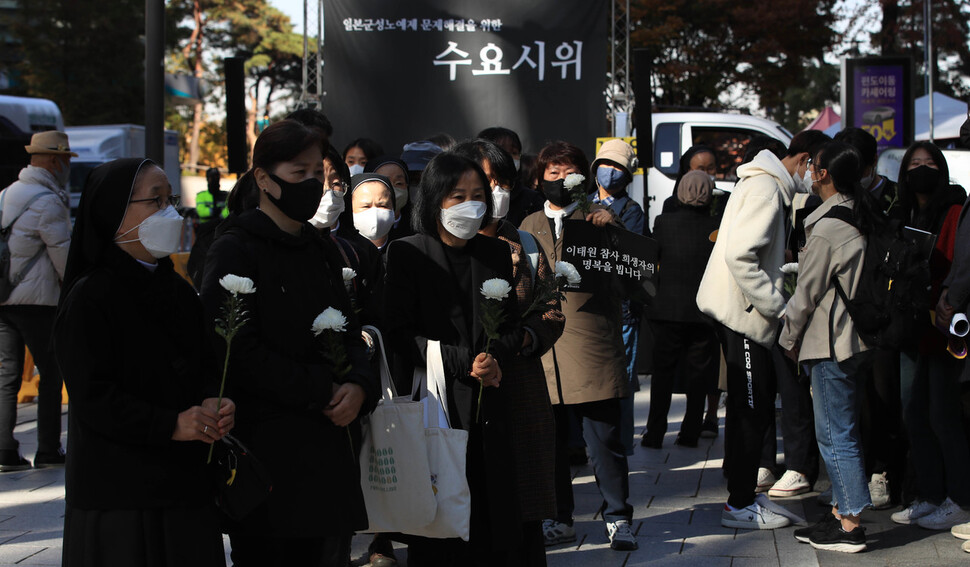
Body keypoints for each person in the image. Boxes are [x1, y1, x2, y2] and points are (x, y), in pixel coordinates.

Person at [202, 120, 377, 565]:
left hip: (330, 449)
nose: (313, 185)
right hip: (269, 454)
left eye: (317, 174)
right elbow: (235, 351)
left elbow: (348, 327)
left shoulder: (319, 248)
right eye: (298, 174)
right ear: (263, 179)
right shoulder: (235, 248)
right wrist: (320, 388)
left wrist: (358, 384)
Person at [54, 158, 235, 566]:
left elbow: (206, 363)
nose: (168, 211)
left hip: (184, 487)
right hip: (120, 495)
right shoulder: (90, 297)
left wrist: (214, 400)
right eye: (155, 201)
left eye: (169, 198)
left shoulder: (177, 290)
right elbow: (92, 397)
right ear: (114, 215)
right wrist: (170, 424)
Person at [383, 152, 526, 566]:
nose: (470, 204)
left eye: (477, 195)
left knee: (490, 512)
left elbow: (512, 324)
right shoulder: (408, 253)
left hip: (490, 398)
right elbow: (398, 334)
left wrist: (495, 356)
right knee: (440, 521)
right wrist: (465, 361)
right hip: (438, 402)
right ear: (434, 199)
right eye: (457, 195)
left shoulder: (495, 253)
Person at [696, 129, 830, 530]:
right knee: (751, 410)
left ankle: (742, 498)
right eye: (817, 167)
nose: (817, 177)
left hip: (738, 312)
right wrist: (781, 307)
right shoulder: (767, 189)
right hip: (744, 315)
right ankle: (739, 504)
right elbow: (741, 255)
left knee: (745, 409)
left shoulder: (762, 183)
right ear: (804, 159)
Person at [519, 141, 637, 551]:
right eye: (552, 173)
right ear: (539, 179)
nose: (560, 180)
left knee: (604, 441)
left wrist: (614, 231)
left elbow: (636, 280)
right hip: (544, 351)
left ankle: (618, 517)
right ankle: (558, 518)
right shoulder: (527, 225)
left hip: (593, 348)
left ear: (582, 178)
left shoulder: (599, 218)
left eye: (569, 172)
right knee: (548, 443)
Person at [455, 139, 565, 566]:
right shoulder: (441, 249)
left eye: (502, 182)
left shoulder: (525, 244)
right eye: (486, 182)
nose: (495, 191)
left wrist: (521, 340)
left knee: (523, 508)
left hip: (520, 388)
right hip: (466, 392)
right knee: (474, 502)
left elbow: (552, 312)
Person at [779, 142, 873, 553]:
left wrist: (787, 338)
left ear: (821, 175)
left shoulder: (830, 228)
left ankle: (851, 523)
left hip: (830, 340)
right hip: (853, 339)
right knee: (841, 429)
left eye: (813, 168)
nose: (808, 173)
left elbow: (805, 293)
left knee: (836, 435)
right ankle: (839, 513)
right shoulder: (859, 213)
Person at [889, 141, 970, 531]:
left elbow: (958, 265)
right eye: (914, 163)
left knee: (943, 414)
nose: (921, 169)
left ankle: (959, 499)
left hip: (941, 326)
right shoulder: (903, 211)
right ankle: (932, 494)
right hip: (911, 326)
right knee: (914, 413)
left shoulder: (955, 210)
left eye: (930, 163)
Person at [833, 126, 902, 509]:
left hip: (883, 313)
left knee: (882, 397)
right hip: (846, 313)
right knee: (849, 401)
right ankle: (852, 476)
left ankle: (882, 472)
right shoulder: (833, 200)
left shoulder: (892, 198)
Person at [0, 131, 73, 471]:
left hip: (3, 297)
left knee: (6, 375)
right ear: (55, 161)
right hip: (38, 302)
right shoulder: (47, 201)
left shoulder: (4, 196)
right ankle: (47, 448)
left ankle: (5, 450)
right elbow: (63, 256)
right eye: (66, 160)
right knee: (51, 371)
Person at [643, 170, 720, 449]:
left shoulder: (664, 222)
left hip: (666, 310)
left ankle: (654, 433)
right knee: (698, 376)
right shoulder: (716, 226)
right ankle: (690, 433)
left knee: (662, 374)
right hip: (702, 312)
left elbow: (651, 260)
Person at [590, 139, 644, 456]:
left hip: (622, 309)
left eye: (618, 167)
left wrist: (614, 224)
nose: (610, 172)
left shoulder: (631, 211)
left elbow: (635, 253)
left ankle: (622, 442)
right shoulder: (582, 203)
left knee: (622, 379)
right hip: (588, 307)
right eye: (606, 164)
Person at [477, 127, 544, 226]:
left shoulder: (531, 200)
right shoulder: (471, 193)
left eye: (514, 153)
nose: (509, 158)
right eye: (502, 152)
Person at [364, 155, 412, 245]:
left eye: (399, 183)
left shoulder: (418, 230)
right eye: (384, 183)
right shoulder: (354, 231)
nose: (392, 189)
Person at [348, 173, 397, 251]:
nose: (375, 213)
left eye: (382, 206)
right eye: (366, 206)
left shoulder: (404, 250)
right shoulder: (343, 251)